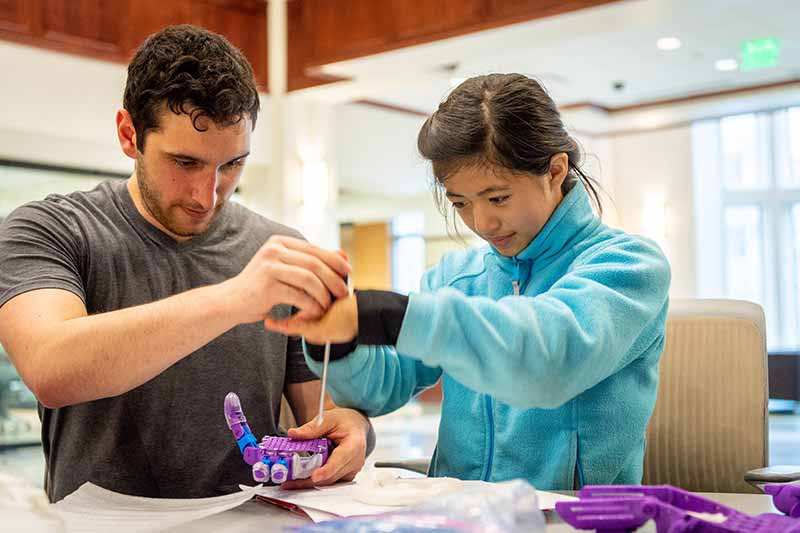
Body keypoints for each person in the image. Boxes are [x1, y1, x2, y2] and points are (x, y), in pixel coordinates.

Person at [0, 24, 371, 502]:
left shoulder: (279, 248)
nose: (208, 194)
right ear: (129, 134)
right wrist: (236, 298)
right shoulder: (50, 229)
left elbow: (321, 415)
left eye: (233, 164)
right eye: (186, 163)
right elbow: (51, 368)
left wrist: (355, 431)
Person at [265, 73, 671, 490]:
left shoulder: (629, 266)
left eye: (498, 198)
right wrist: (336, 340)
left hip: (572, 520)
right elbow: (378, 389)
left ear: (554, 170)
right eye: (460, 202)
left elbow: (548, 359)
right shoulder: (457, 279)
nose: (482, 223)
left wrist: (387, 315)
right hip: (457, 517)